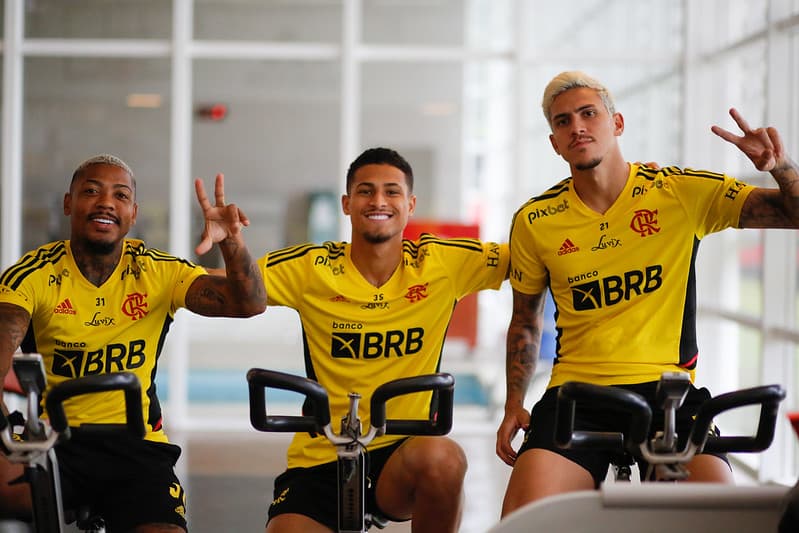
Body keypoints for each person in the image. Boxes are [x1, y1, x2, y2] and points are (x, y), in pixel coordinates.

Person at [496, 71, 799, 516]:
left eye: (588, 114)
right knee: (525, 522)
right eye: (563, 122)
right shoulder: (535, 220)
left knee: (719, 519)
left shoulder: (679, 192)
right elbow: (525, 319)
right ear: (555, 143)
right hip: (575, 393)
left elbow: (793, 214)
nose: (577, 126)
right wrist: (513, 403)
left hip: (669, 394)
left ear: (616, 123)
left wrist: (779, 167)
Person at [0, 154, 266, 532]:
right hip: (56, 443)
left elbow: (249, 304)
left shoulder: (158, 270)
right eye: (91, 191)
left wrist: (233, 243)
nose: (106, 201)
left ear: (133, 213)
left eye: (120, 195)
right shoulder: (33, 275)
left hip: (138, 447)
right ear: (68, 203)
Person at [258, 147, 509, 533]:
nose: (378, 201)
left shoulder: (440, 263)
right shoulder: (312, 268)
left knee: (445, 459)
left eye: (391, 192)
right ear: (346, 203)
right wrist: (230, 244)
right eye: (365, 191)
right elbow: (233, 292)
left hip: (401, 454)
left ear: (409, 204)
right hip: (323, 454)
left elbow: (532, 257)